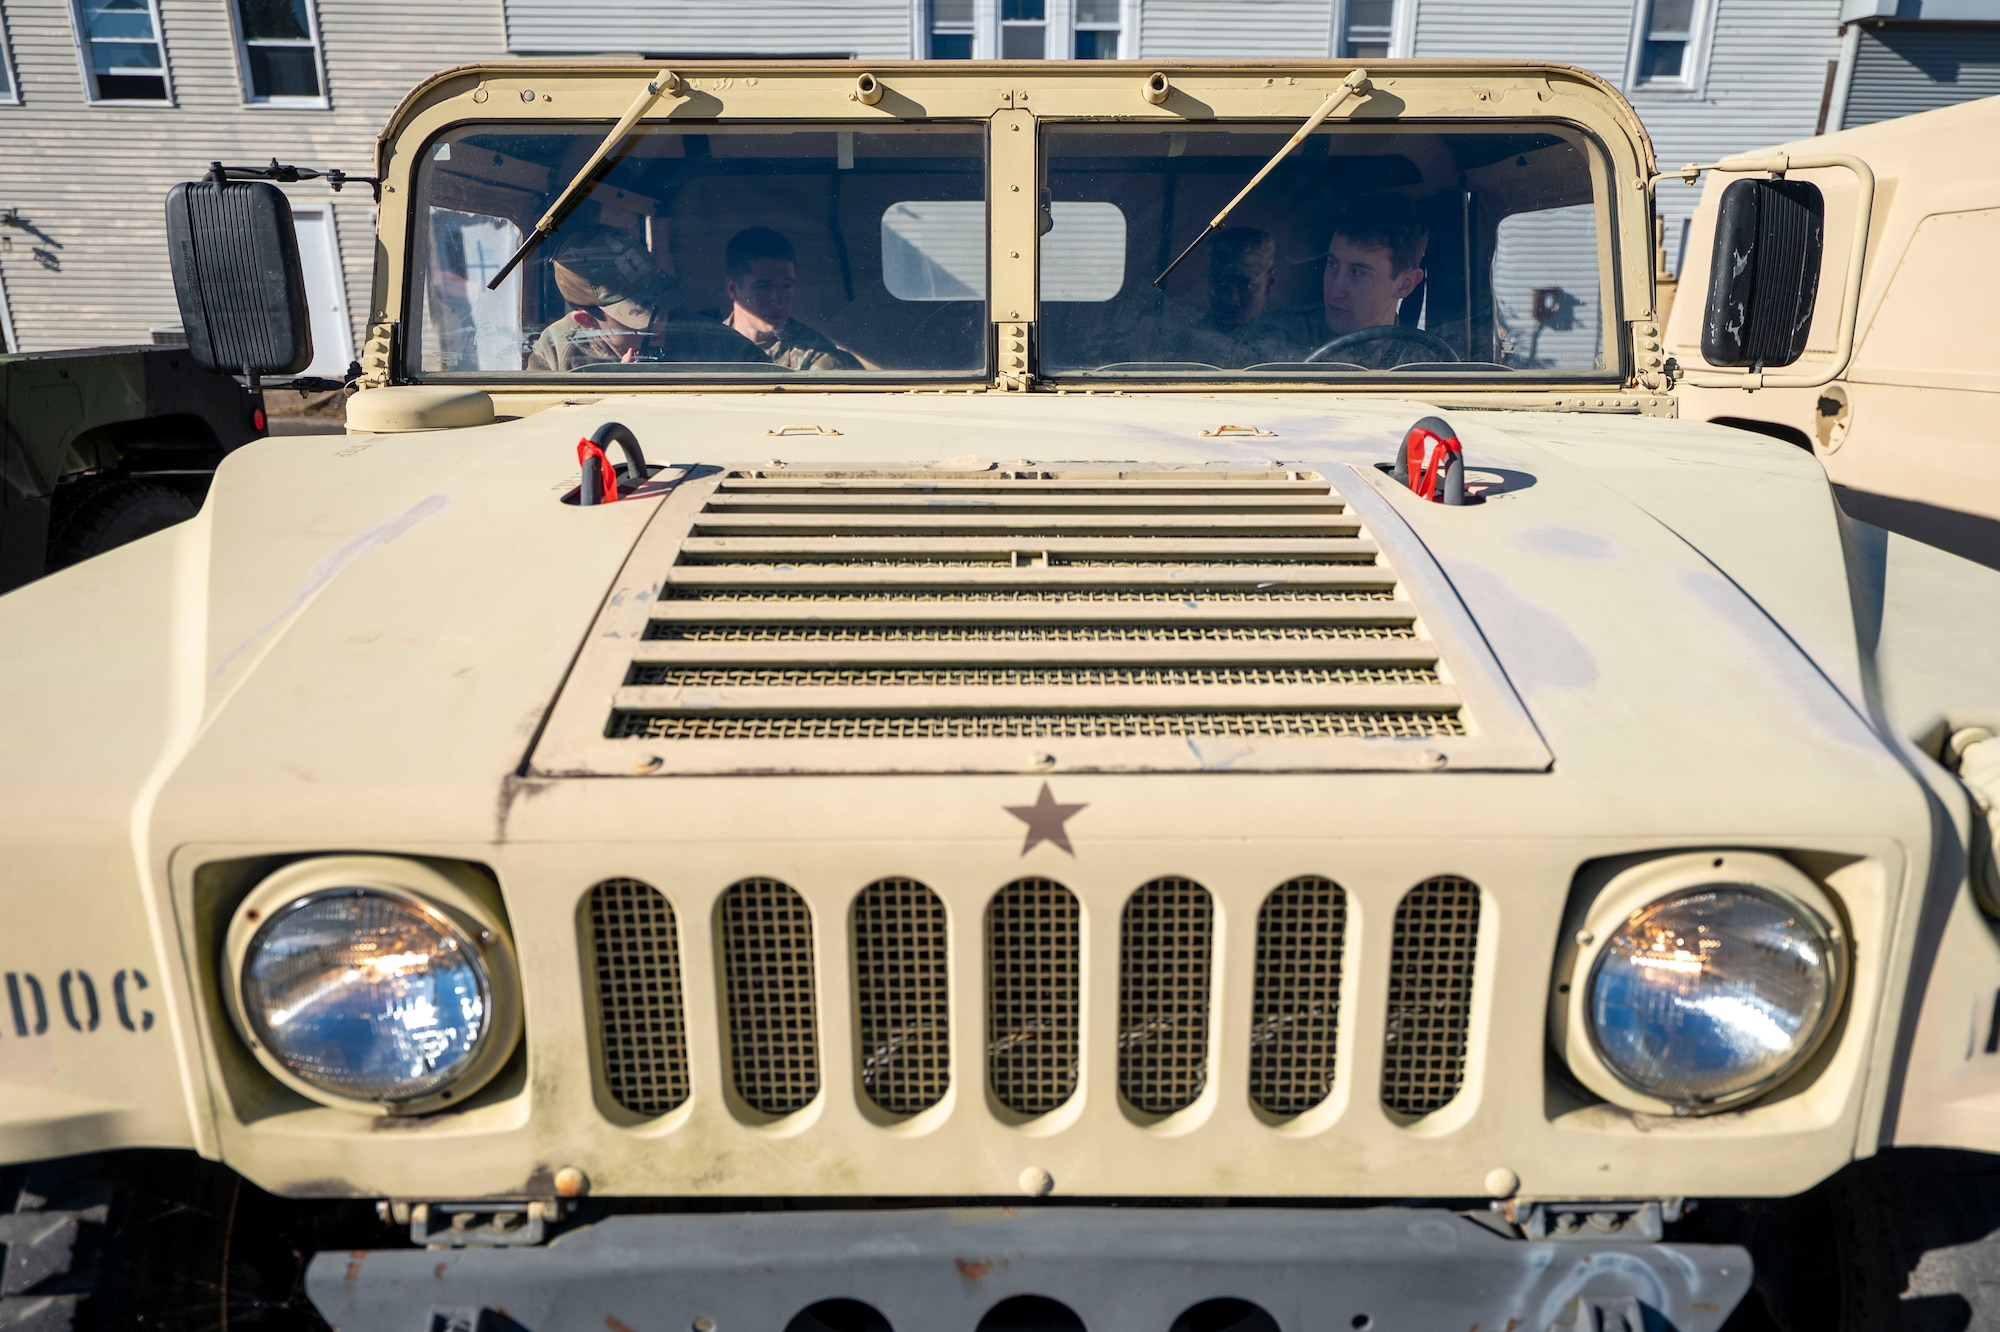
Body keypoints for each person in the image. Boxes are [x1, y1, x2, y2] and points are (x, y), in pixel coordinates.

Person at [1240, 193, 1437, 369]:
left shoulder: (1428, 365)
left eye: (1358, 273)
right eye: (1332, 264)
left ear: (1405, 284)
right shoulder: (1268, 340)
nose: (1335, 291)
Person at [527, 225, 763, 372]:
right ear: (586, 321)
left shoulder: (715, 345)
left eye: (659, 303)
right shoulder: (555, 352)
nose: (659, 322)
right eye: (638, 314)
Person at [721, 227, 861, 372]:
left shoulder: (817, 358)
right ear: (732, 289)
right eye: (764, 287)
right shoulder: (706, 345)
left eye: (786, 286)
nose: (777, 300)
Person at [1202, 227, 1278, 335]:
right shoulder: (1184, 342)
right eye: (1220, 285)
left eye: (1245, 286)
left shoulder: (1289, 344)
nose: (1232, 301)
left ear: (1270, 283)